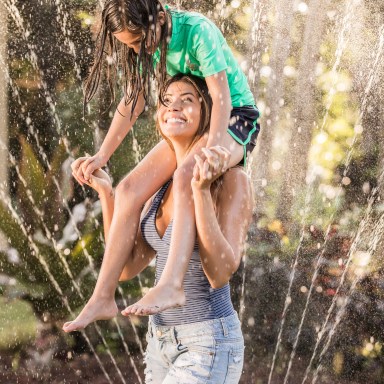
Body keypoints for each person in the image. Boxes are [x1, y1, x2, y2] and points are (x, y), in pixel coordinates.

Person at [67, 0, 259, 331]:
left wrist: (212, 150)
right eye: (129, 46)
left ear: (158, 18)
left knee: (187, 173)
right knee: (128, 188)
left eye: (139, 42)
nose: (138, 50)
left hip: (234, 119)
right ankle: (103, 295)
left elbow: (221, 96)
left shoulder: (197, 31)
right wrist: (102, 155)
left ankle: (172, 283)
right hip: (197, 122)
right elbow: (133, 101)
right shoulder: (146, 45)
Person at [65, 74, 253, 383]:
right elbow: (126, 267)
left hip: (207, 341)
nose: (174, 107)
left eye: (187, 100)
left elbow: (221, 273)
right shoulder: (158, 189)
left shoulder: (233, 180)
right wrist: (107, 195)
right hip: (161, 341)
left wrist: (201, 191)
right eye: (166, 100)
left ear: (209, 114)